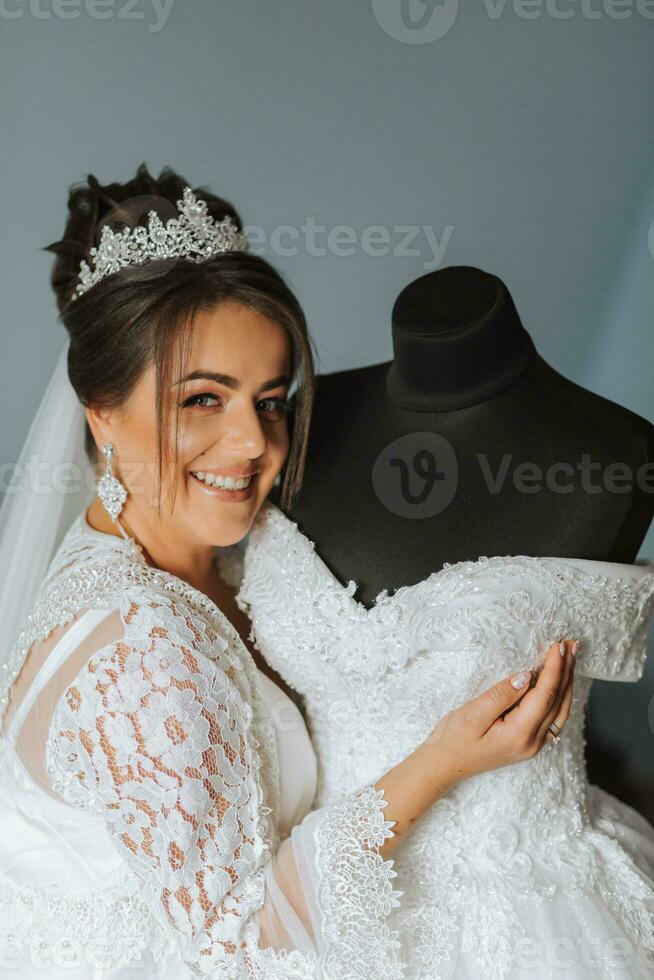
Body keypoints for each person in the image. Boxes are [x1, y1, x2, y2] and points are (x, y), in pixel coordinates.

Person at [0, 163, 577, 979]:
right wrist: (441, 762)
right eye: (203, 399)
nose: (254, 444)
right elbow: (237, 953)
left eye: (270, 400)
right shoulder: (139, 651)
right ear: (103, 415)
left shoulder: (198, 553)